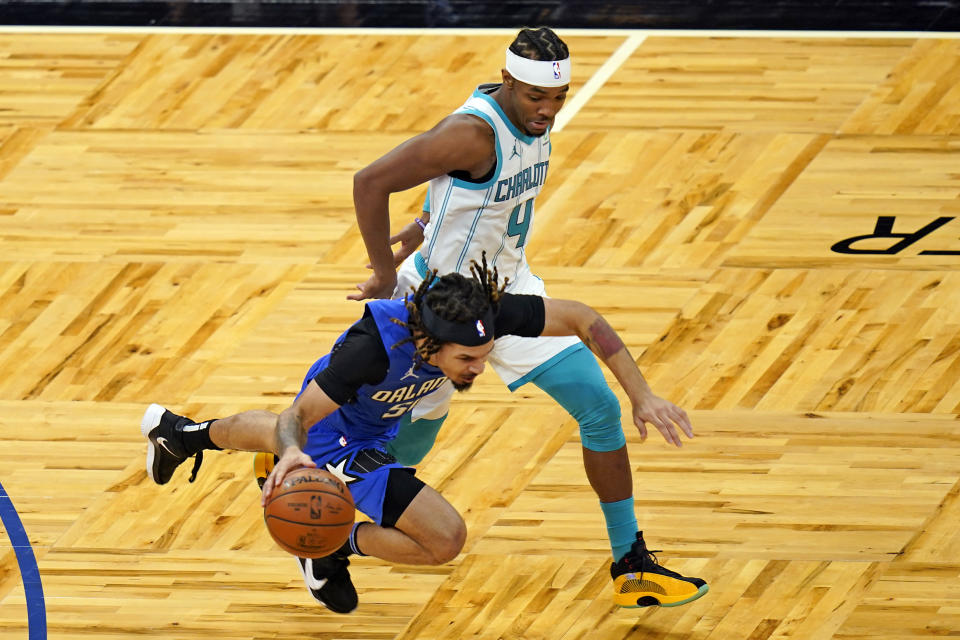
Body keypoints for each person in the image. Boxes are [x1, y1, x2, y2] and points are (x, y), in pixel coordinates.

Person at [347, 27, 697, 606]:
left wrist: (417, 227)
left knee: (600, 407)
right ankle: (321, 507)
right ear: (509, 82)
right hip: (443, 306)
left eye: (558, 98)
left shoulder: (530, 121)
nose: (548, 110)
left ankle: (631, 564)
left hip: (508, 289)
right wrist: (388, 270)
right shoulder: (471, 135)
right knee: (404, 441)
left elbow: (451, 194)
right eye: (536, 96)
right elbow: (370, 181)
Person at [141, 260, 708, 613]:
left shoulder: (479, 315)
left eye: (484, 357)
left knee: (283, 437)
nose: (477, 369)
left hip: (373, 426)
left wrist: (642, 395)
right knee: (445, 540)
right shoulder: (372, 349)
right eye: (467, 360)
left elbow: (586, 317)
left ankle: (183, 436)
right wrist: (293, 455)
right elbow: (297, 417)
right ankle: (323, 538)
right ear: (426, 342)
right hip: (338, 435)